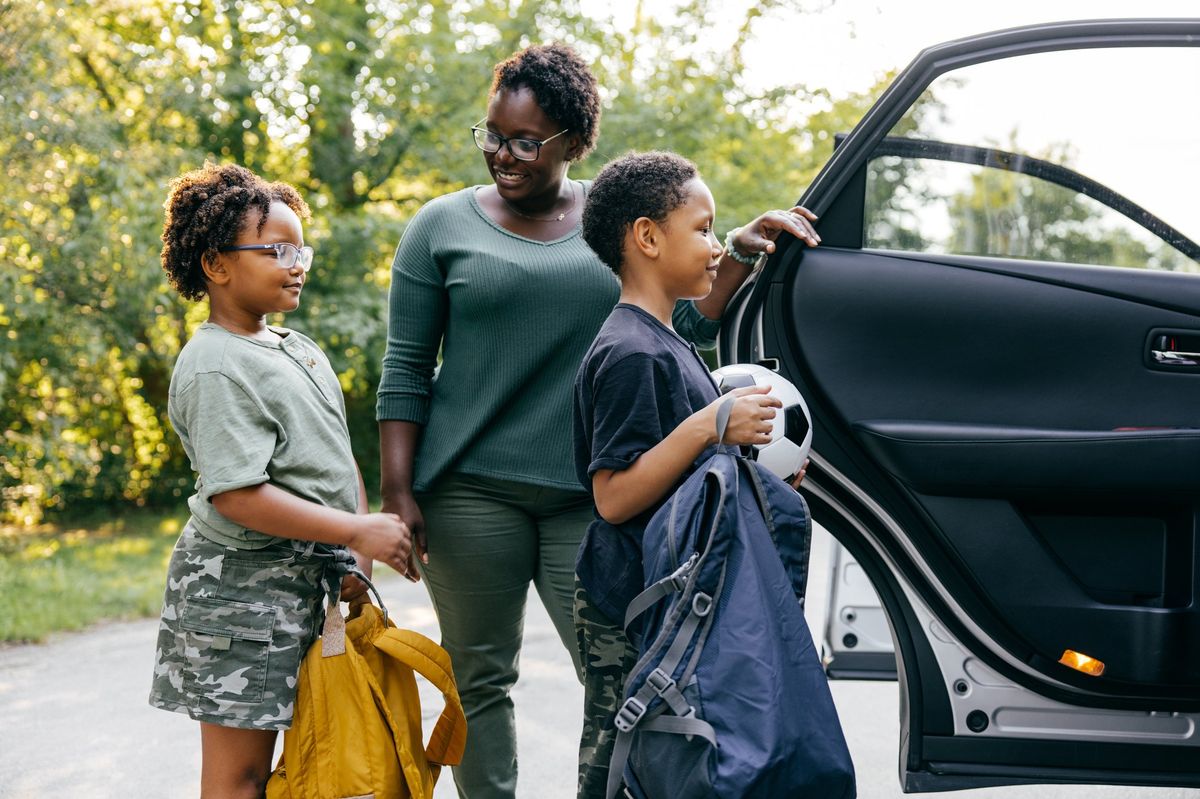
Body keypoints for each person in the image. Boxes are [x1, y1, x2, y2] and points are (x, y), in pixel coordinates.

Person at [376, 42, 816, 799]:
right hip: (470, 493)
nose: (502, 153)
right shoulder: (438, 228)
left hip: (593, 492)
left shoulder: (616, 225)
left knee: (626, 667)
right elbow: (405, 369)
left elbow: (684, 321)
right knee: (480, 677)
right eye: (491, 134)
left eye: (523, 140)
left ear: (574, 142)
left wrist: (740, 248)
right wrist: (397, 492)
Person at [149, 162, 412, 799]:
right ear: (216, 265)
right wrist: (356, 528)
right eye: (276, 250)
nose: (297, 263)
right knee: (241, 779)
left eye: (302, 249)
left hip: (305, 585)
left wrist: (350, 556)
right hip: (239, 598)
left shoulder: (299, 348)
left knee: (314, 757)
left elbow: (335, 458)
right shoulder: (214, 365)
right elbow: (239, 495)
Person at [573, 150, 816, 797]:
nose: (715, 245)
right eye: (703, 229)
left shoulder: (665, 340)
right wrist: (709, 424)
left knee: (668, 760)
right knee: (616, 766)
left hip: (664, 600)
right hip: (625, 605)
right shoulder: (628, 351)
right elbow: (614, 496)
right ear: (648, 237)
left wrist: (757, 475)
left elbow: (684, 476)